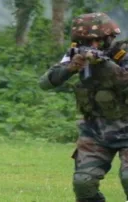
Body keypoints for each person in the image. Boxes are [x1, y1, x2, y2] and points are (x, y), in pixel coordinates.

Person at [38, 12, 127, 202]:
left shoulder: (123, 53)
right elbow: (45, 82)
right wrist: (69, 68)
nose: (92, 46)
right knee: (83, 183)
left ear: (110, 37)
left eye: (97, 41)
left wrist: (105, 65)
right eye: (86, 41)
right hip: (95, 129)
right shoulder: (75, 53)